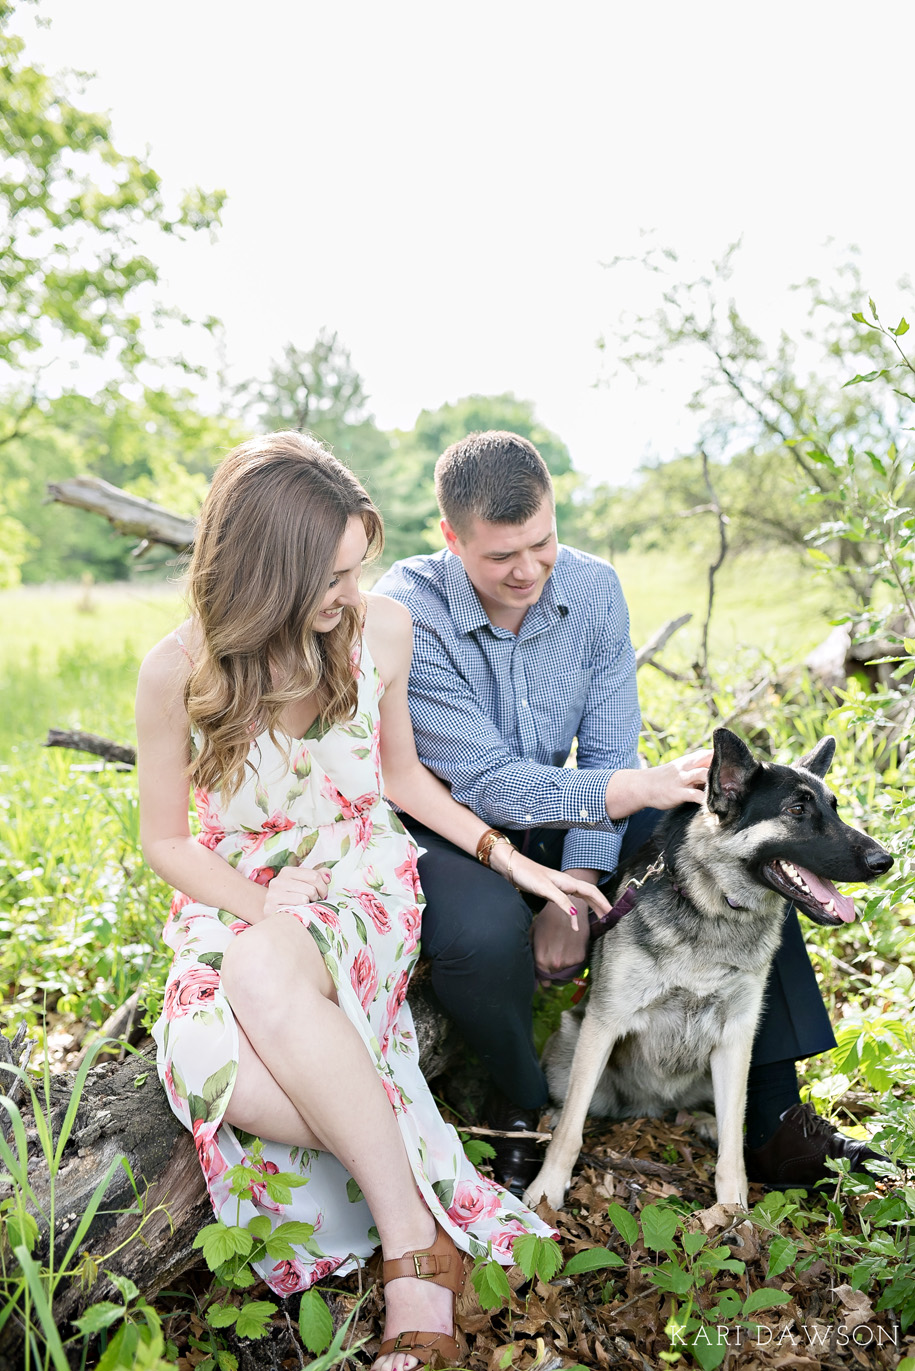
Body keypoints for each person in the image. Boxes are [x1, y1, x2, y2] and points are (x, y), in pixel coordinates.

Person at [137, 432, 611, 1371]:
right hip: (236, 885)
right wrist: (259, 896)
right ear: (267, 574)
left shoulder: (381, 630)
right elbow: (166, 839)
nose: (355, 593)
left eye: (360, 567)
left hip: (359, 876)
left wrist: (503, 856)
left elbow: (400, 778)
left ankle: (406, 1251)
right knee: (198, 1050)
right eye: (334, 577)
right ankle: (419, 1187)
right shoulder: (176, 667)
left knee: (260, 967)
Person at [375, 429, 881, 1195]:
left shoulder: (594, 589)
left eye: (541, 542)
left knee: (730, 843)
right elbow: (487, 779)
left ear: (553, 511)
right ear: (450, 538)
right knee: (481, 934)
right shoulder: (408, 606)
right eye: (499, 556)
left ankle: (773, 1116)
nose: (527, 570)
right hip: (450, 820)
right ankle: (520, 1102)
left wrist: (576, 889)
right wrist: (624, 798)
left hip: (567, 807)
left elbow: (609, 748)